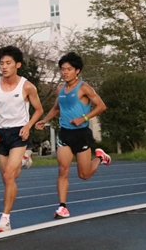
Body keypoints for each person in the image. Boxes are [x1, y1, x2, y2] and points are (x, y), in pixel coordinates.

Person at [35, 52, 111, 219]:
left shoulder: (84, 88)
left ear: (77, 71)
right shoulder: (60, 88)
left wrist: (83, 118)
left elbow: (101, 106)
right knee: (63, 169)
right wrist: (44, 120)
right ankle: (62, 207)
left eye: (69, 69)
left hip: (81, 134)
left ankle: (99, 157)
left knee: (83, 175)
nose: (65, 72)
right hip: (65, 133)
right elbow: (56, 108)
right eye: (63, 69)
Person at [0, 46, 44, 232]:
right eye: (1, 63)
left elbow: (39, 109)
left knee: (9, 175)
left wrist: (28, 126)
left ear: (18, 64)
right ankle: (25, 161)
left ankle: (5, 218)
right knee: (9, 177)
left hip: (19, 133)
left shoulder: (27, 86)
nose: (4, 67)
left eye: (8, 63)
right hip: (1, 134)